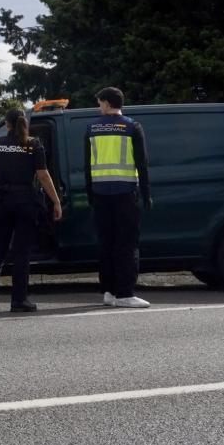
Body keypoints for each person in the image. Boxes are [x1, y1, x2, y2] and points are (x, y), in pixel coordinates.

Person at [0, 106, 61, 313]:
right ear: (24, 123)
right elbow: (43, 176)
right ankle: (19, 300)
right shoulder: (33, 144)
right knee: (21, 252)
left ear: (6, 124)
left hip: (2, 202)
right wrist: (56, 201)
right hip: (26, 202)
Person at [86, 86, 152, 309]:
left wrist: (89, 194)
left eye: (100, 102)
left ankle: (108, 291)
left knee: (106, 244)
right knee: (127, 244)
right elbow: (142, 164)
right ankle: (125, 292)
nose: (99, 106)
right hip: (125, 194)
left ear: (106, 103)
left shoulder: (92, 128)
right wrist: (146, 194)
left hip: (100, 194)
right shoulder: (132, 126)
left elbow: (87, 165)